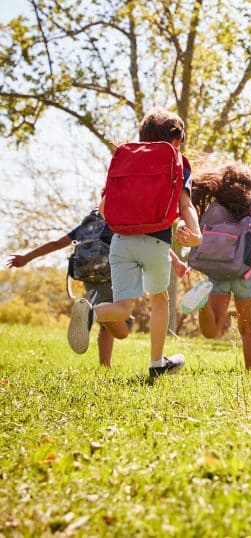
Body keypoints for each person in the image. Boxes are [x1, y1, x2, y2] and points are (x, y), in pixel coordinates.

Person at [69, 107, 202, 378]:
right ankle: (156, 364)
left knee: (122, 308)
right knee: (160, 299)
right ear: (176, 140)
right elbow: (186, 205)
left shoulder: (127, 160)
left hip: (120, 242)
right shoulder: (176, 160)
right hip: (156, 242)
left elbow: (105, 208)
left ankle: (91, 314)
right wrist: (196, 233)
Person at [185, 163, 251, 370]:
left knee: (211, 331)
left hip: (218, 273)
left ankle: (202, 303)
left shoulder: (214, 208)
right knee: (247, 329)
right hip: (245, 275)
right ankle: (250, 372)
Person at [5, 210, 131, 367]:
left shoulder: (89, 225)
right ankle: (92, 313)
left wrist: (26, 258)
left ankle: (105, 366)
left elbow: (57, 243)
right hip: (112, 276)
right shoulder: (119, 220)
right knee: (122, 328)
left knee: (106, 323)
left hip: (88, 275)